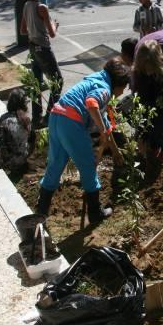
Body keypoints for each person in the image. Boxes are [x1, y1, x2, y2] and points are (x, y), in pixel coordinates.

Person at [36, 58, 128, 223]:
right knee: (88, 167)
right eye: (124, 88)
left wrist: (115, 151)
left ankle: (40, 215)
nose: (122, 93)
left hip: (56, 116)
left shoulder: (95, 80)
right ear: (118, 83)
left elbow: (105, 123)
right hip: (72, 123)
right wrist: (102, 132)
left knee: (55, 167)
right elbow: (92, 104)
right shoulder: (105, 89)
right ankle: (95, 214)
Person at [20, 0, 63, 128]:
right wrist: (54, 25)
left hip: (32, 47)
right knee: (58, 82)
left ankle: (37, 117)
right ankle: (49, 116)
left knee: (37, 83)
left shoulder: (26, 5)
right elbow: (51, 33)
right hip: (43, 48)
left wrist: (34, 27)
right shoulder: (42, 7)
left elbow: (23, 30)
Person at [131, 40, 163, 165]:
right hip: (146, 97)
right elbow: (139, 99)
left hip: (162, 97)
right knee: (147, 122)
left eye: (150, 65)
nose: (148, 68)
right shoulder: (138, 74)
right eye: (145, 65)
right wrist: (140, 134)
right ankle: (152, 146)